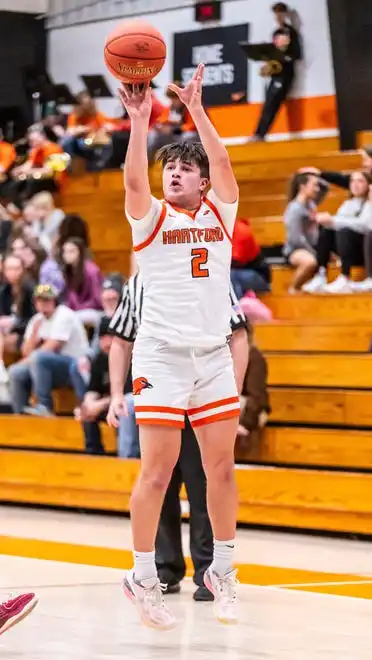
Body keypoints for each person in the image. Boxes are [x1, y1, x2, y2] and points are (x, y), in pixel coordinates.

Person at [108, 65, 240, 629]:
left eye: (187, 169)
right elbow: (134, 182)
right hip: (161, 356)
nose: (176, 175)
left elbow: (226, 163)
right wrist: (140, 122)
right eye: (172, 169)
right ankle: (143, 577)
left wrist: (196, 111)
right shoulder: (152, 218)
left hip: (212, 356)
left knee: (221, 470)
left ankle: (223, 570)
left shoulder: (220, 212)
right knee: (157, 474)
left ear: (203, 182)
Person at [108, 272, 249, 600]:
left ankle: (208, 572)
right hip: (161, 391)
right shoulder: (138, 283)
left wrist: (234, 392)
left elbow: (238, 334)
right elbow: (120, 339)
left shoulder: (208, 270)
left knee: (204, 484)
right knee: (159, 484)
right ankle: (162, 569)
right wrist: (116, 393)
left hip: (202, 393)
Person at [8, 284, 89, 416]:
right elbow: (25, 351)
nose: (43, 303)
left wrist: (27, 360)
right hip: (45, 369)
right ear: (35, 302)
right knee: (15, 372)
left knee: (39, 357)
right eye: (40, 300)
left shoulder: (64, 315)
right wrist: (34, 333)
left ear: (54, 300)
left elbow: (53, 346)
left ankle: (45, 406)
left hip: (74, 366)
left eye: (47, 299)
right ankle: (20, 414)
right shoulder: (36, 320)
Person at [74, 315, 137, 455]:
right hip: (110, 404)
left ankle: (127, 457)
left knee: (125, 407)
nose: (106, 342)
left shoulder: (132, 357)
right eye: (102, 337)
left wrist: (99, 404)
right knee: (87, 412)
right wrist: (88, 405)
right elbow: (92, 389)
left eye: (110, 336)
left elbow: (129, 393)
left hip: (129, 404)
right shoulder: (100, 358)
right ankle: (94, 454)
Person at [305, 172, 372, 293]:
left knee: (343, 230)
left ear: (369, 185)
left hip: (364, 250)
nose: (355, 185)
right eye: (352, 181)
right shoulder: (348, 204)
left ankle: (345, 276)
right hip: (348, 249)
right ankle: (321, 274)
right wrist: (328, 221)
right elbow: (338, 222)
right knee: (326, 229)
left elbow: (365, 225)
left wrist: (333, 220)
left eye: (360, 181)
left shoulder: (369, 203)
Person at [253, 2, 302, 141]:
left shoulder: (291, 32)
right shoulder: (276, 33)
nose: (278, 16)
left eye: (281, 13)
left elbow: (297, 55)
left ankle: (259, 134)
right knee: (268, 104)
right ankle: (259, 134)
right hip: (276, 74)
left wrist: (283, 58)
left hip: (285, 74)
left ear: (285, 14)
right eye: (276, 13)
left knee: (272, 104)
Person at [283, 172, 320, 291]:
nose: (317, 189)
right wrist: (313, 252)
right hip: (295, 249)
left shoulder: (311, 204)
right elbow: (295, 238)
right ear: (303, 187)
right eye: (314, 185)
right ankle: (293, 288)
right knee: (310, 262)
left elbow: (325, 189)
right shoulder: (294, 209)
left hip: (310, 246)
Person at [0, 254, 34, 381]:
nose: (12, 272)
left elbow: (36, 319)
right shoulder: (4, 290)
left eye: (16, 268)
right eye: (9, 269)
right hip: (8, 333)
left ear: (23, 269)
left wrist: (13, 325)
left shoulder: (30, 288)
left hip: (27, 334)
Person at [61, 237, 103, 326]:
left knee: (70, 319)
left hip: (93, 311)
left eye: (71, 251)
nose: (67, 255)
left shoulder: (92, 271)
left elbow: (97, 300)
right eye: (65, 251)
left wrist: (79, 307)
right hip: (76, 311)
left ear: (80, 252)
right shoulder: (69, 271)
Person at [230, 217, 271, 297]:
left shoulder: (241, 231)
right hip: (237, 271)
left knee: (230, 276)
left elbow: (236, 263)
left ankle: (236, 308)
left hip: (258, 276)